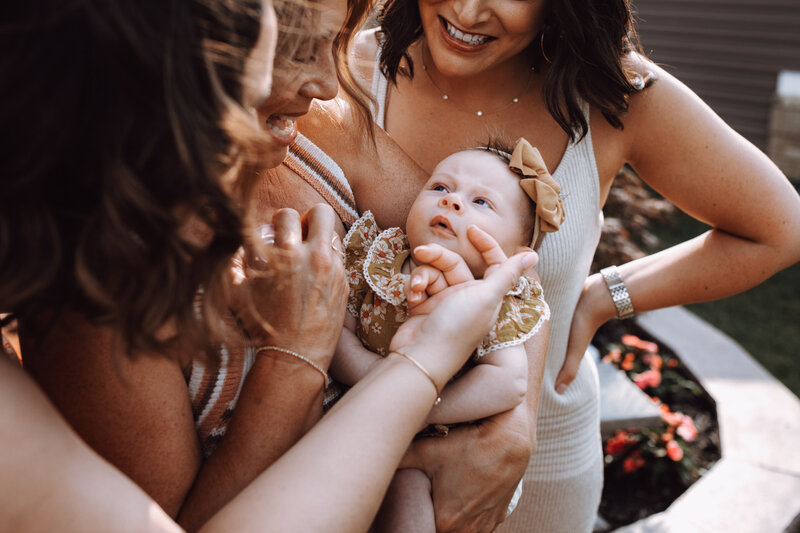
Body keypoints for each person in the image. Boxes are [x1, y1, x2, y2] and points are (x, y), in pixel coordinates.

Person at [0, 0, 539, 531]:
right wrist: (295, 359)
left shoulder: (316, 131)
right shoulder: (91, 294)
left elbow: (506, 262)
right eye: (296, 46)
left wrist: (514, 425)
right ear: (180, 59)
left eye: (334, 43)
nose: (329, 83)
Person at [268, 0, 800, 530]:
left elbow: (780, 230)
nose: (468, 11)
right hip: (347, 454)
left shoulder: (613, 93)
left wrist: (600, 298)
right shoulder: (349, 68)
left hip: (539, 465)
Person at [330, 139, 559, 532]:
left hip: (437, 448)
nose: (452, 202)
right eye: (440, 187)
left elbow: (509, 383)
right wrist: (387, 394)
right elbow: (338, 342)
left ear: (514, 253)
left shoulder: (495, 300)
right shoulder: (378, 259)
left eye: (481, 202)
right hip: (355, 420)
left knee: (407, 494)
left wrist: (415, 406)